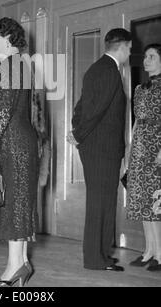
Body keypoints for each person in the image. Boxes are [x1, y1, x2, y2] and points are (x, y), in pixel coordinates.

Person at [0, 17, 39, 287]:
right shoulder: (16, 65)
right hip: (17, 142)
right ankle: (21, 263)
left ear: (8, 37)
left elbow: (3, 110)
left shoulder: (12, 65)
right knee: (18, 203)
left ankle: (13, 269)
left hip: (11, 144)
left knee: (13, 204)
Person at [67, 28, 132, 271]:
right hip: (101, 149)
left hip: (98, 147)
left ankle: (103, 253)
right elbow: (95, 111)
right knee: (100, 203)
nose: (129, 53)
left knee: (104, 201)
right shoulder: (110, 72)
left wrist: (77, 131)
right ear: (123, 46)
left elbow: (81, 107)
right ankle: (95, 259)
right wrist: (78, 134)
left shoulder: (97, 68)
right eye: (130, 48)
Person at [127, 44, 161, 271]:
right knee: (143, 203)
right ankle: (149, 250)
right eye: (146, 56)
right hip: (140, 148)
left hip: (156, 147)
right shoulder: (139, 88)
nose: (146, 60)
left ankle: (160, 254)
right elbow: (137, 121)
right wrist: (131, 149)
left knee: (156, 203)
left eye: (152, 56)